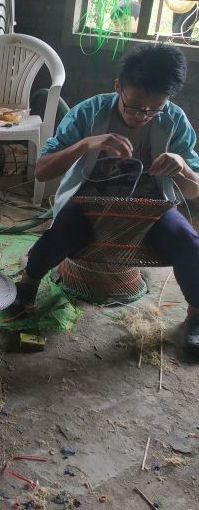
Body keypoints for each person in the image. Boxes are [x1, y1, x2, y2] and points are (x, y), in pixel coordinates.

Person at [12, 43, 199, 357]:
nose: (143, 116)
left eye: (154, 109)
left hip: (150, 209)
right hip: (91, 204)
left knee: (188, 241)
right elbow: (43, 171)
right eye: (135, 106)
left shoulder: (174, 121)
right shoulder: (90, 112)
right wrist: (87, 143)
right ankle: (28, 283)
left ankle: (196, 316)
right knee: (62, 230)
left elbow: (194, 190)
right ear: (118, 88)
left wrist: (181, 167)